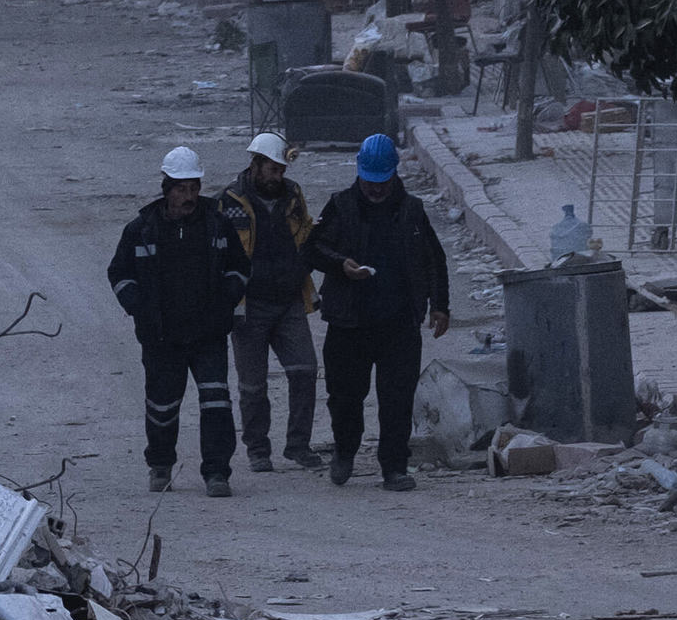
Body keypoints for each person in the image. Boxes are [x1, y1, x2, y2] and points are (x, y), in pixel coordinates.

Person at [306, 133, 451, 490]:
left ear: (393, 174)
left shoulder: (412, 210)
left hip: (399, 322)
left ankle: (394, 468)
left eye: (381, 182)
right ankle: (344, 452)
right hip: (349, 322)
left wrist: (439, 306)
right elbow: (313, 249)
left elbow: (434, 259)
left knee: (397, 399)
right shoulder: (340, 206)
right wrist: (341, 264)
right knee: (344, 397)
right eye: (369, 182)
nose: (375, 189)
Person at [105, 144, 248, 496]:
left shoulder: (218, 225)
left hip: (208, 333)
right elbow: (119, 273)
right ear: (167, 188)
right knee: (162, 406)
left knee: (216, 403)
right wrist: (138, 306)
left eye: (194, 188)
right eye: (181, 189)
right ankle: (160, 465)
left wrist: (227, 299)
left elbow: (240, 268)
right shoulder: (141, 229)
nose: (189, 196)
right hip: (162, 336)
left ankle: (217, 473)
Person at [225, 132, 320, 472]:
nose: (278, 176)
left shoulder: (293, 195)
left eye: (281, 170)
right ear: (256, 165)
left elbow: (306, 234)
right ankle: (257, 450)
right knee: (253, 386)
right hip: (249, 306)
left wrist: (304, 264)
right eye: (272, 169)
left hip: (289, 301)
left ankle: (298, 445)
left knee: (305, 370)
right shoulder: (230, 201)